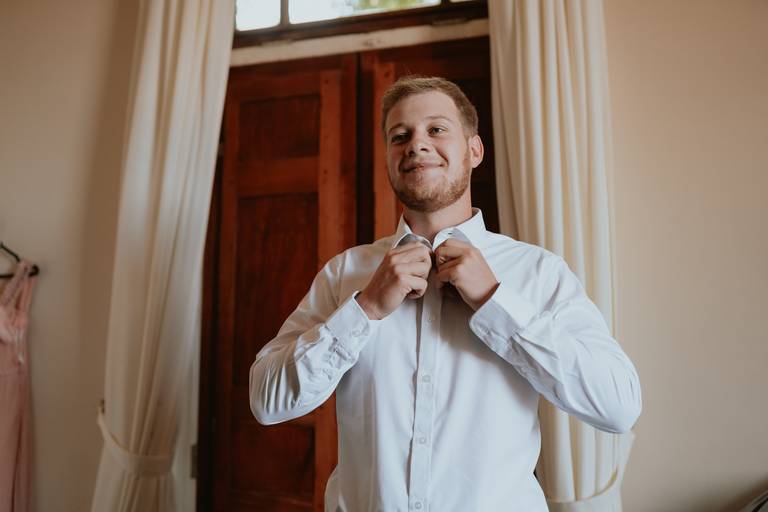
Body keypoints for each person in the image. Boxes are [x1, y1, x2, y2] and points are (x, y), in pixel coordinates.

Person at [249, 76, 642, 511]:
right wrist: (366, 309)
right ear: (389, 159)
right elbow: (267, 401)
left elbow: (618, 406)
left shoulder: (538, 272)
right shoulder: (346, 273)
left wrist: (495, 302)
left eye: (436, 129)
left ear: (475, 150)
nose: (416, 145)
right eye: (400, 136)